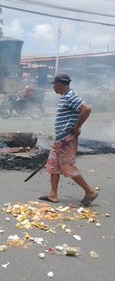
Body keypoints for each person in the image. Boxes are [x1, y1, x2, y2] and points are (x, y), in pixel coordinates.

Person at [38, 73, 98, 206]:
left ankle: (90, 191)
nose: (53, 87)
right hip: (59, 138)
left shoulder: (70, 96)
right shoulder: (65, 97)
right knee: (53, 166)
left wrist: (77, 127)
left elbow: (86, 109)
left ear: (59, 84)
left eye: (54, 84)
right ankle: (53, 195)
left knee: (67, 166)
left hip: (66, 139)